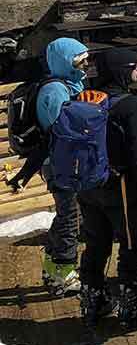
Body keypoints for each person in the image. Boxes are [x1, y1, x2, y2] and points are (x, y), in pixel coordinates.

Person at [75, 48, 137, 328]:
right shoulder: (130, 105)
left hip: (87, 187)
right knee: (130, 242)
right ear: (122, 70)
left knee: (96, 242)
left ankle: (93, 298)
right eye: (135, 67)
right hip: (120, 187)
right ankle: (131, 299)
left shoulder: (82, 100)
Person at [5, 38, 90, 295]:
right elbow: (59, 134)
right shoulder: (55, 92)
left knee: (70, 215)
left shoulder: (69, 84)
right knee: (70, 218)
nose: (86, 64)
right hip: (60, 163)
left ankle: (53, 263)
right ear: (65, 62)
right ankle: (61, 275)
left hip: (65, 161)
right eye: (80, 60)